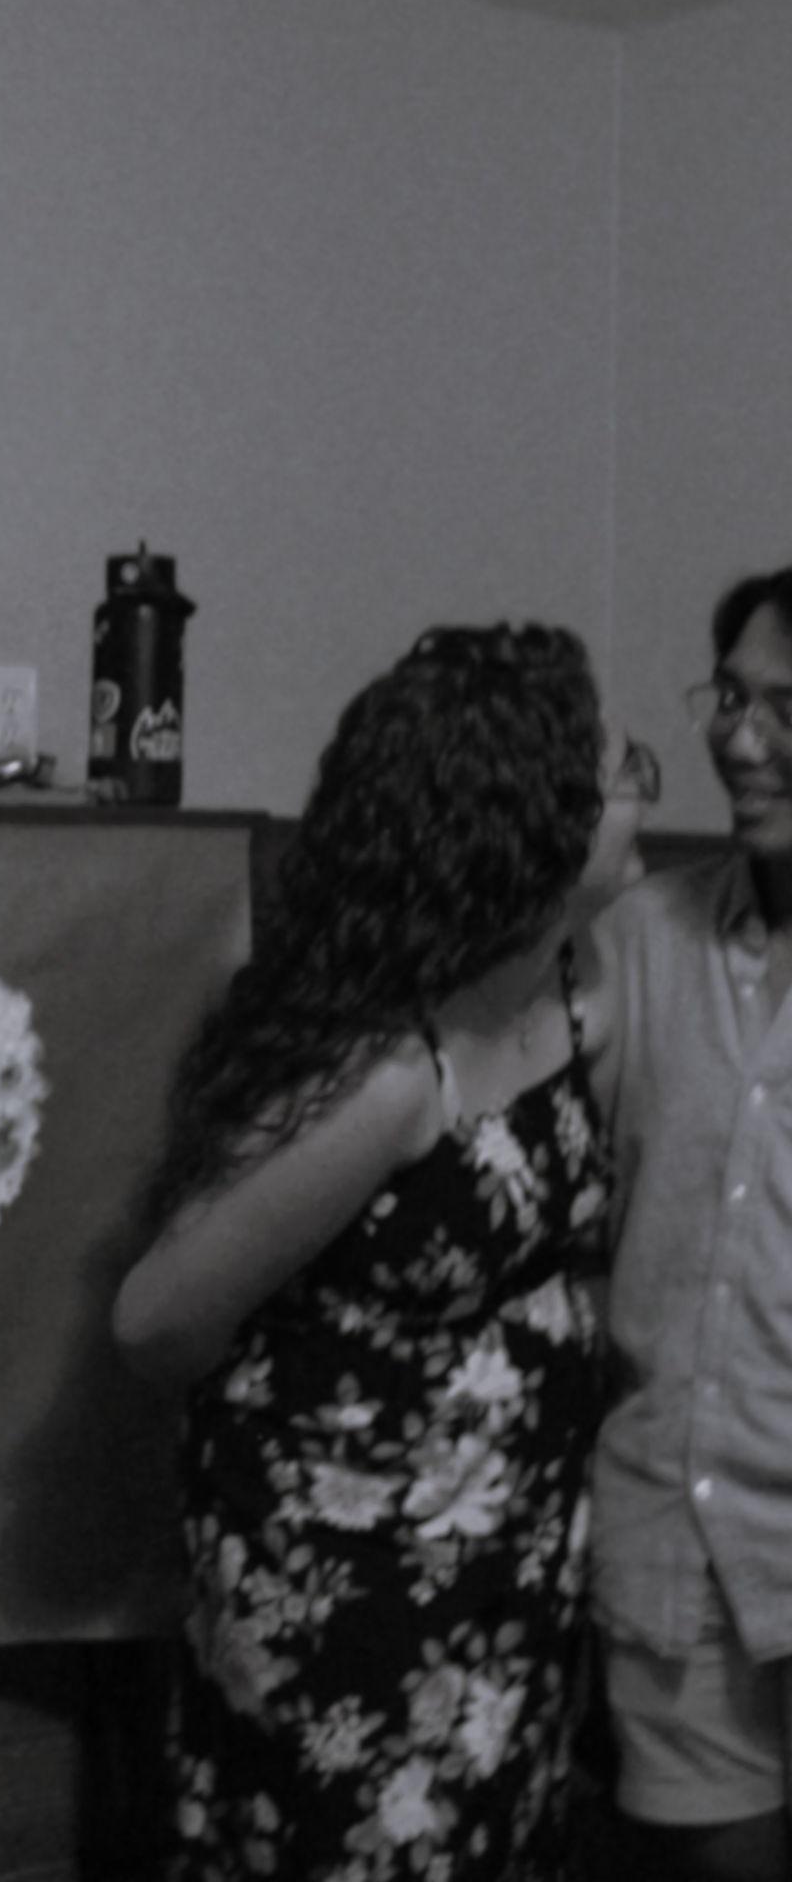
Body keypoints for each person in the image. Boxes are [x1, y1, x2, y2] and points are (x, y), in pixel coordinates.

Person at [112, 622, 656, 1879]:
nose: (642, 789)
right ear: (531, 822)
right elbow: (154, 1321)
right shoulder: (385, 1074)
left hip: (503, 1586)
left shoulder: (570, 990)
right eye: (620, 768)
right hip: (347, 1603)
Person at [588, 565, 792, 1881]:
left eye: (785, 706)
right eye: (726, 697)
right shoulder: (641, 940)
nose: (740, 738)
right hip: (670, 1546)